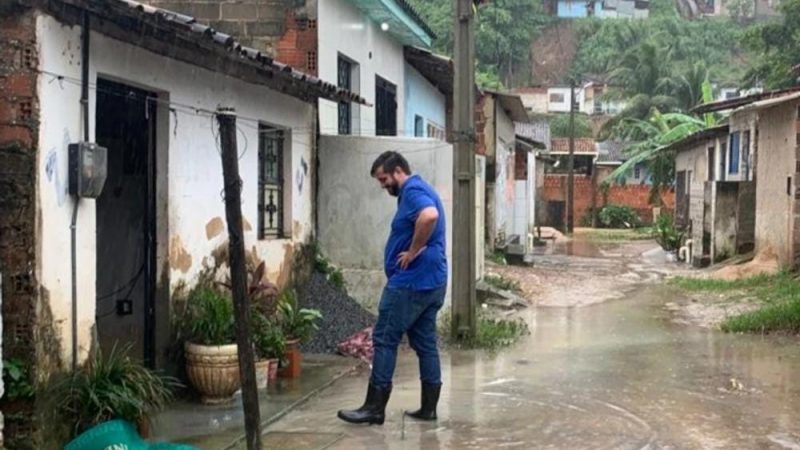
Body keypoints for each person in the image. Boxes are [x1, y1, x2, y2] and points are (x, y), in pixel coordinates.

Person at [337, 151, 448, 426]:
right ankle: (428, 408)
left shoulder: (413, 190)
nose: (382, 185)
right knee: (425, 344)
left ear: (398, 171)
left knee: (385, 339)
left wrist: (412, 251)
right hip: (432, 281)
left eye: (384, 178)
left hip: (411, 282)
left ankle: (374, 408)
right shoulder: (421, 189)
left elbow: (429, 216)